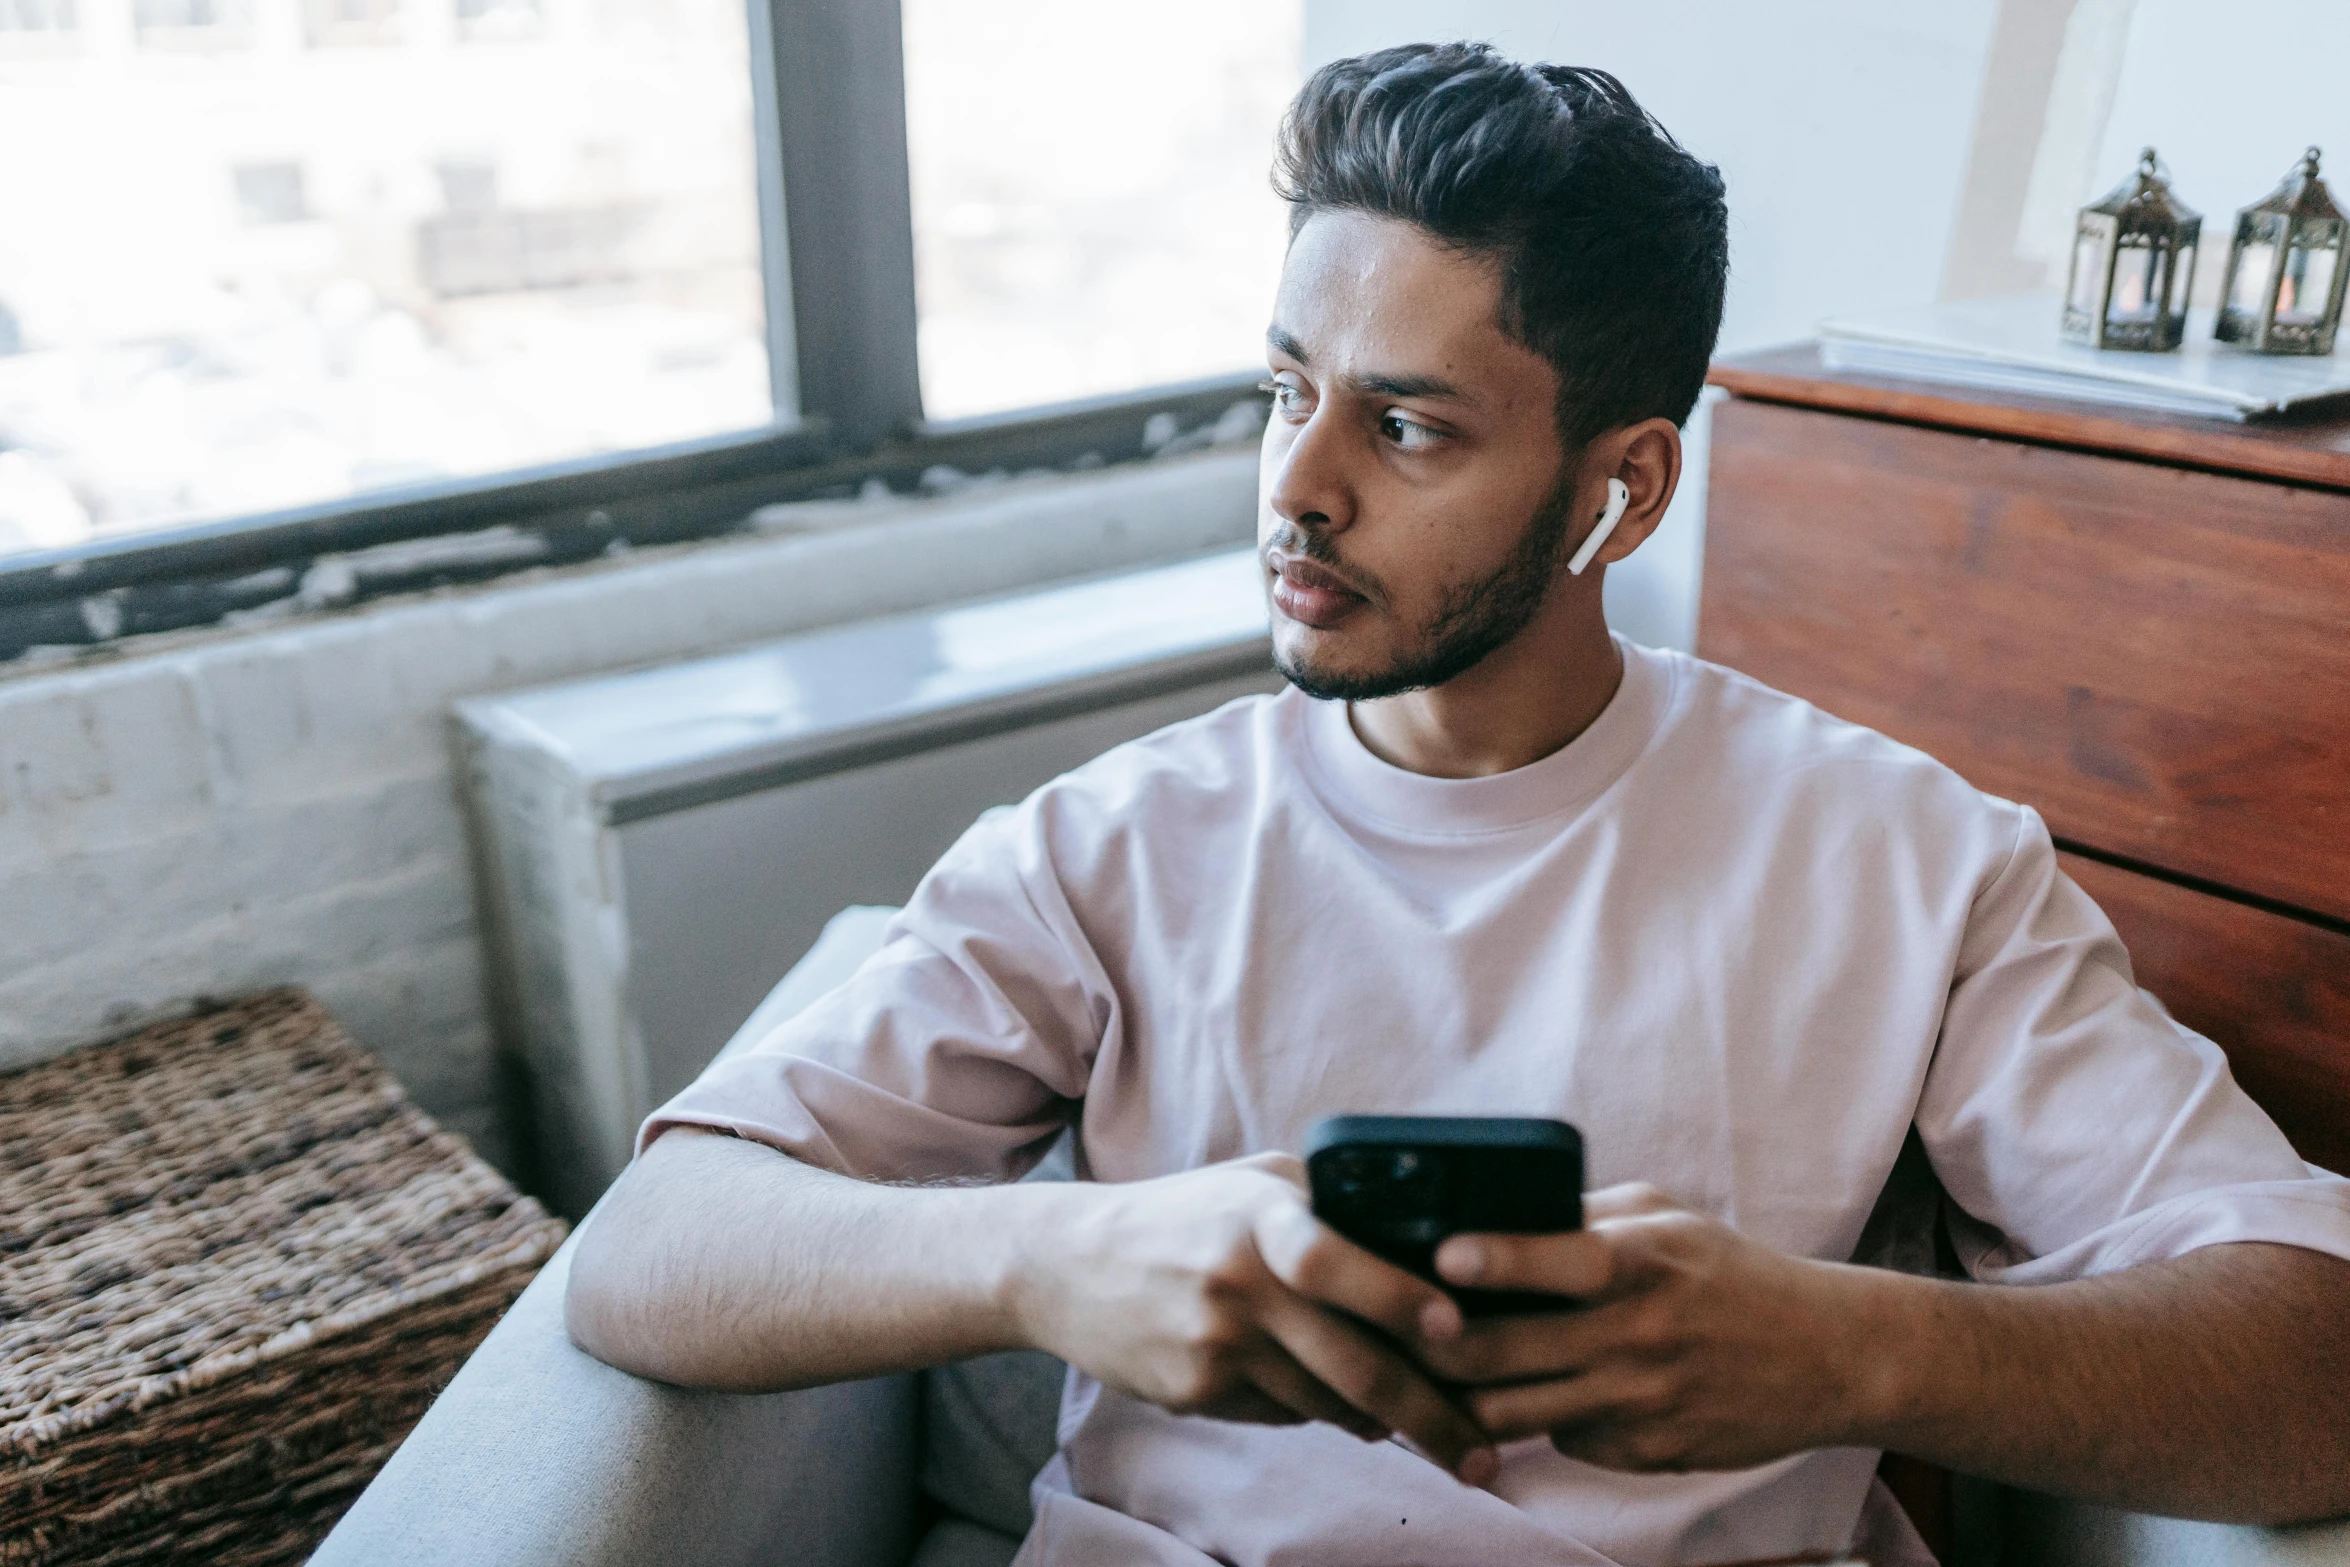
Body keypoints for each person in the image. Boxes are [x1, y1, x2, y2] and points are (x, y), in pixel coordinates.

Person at [565, 42, 2350, 1567]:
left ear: (1621, 491)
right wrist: (1059, 1255)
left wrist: (1844, 1353)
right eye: (1285, 392)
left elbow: (2314, 1360)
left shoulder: (1912, 866)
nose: (1297, 489)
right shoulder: (1109, 848)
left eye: (1405, 426)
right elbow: (651, 1255)